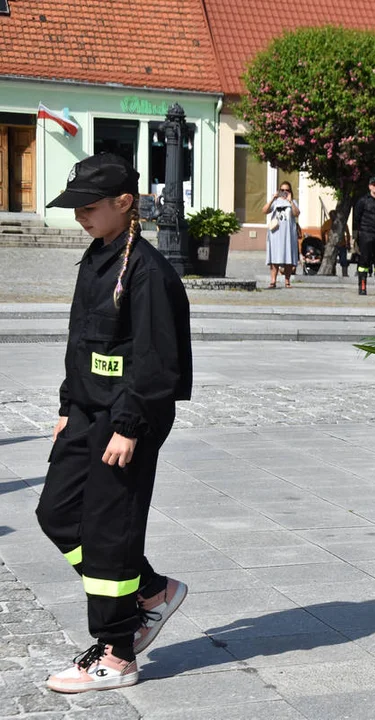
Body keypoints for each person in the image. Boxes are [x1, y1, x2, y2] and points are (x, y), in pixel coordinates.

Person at [36, 153, 192, 693]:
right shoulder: (97, 256)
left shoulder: (148, 270)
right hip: (85, 410)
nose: (79, 214)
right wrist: (65, 407)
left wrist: (128, 424)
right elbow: (82, 342)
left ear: (125, 204)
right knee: (56, 512)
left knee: (109, 531)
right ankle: (149, 589)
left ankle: (117, 653)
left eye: (89, 205)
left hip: (128, 416)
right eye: (74, 204)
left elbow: (157, 361)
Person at [263, 180, 299, 288]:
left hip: (288, 234)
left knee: (288, 257)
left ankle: (287, 281)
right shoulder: (276, 202)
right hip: (275, 234)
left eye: (287, 190)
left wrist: (290, 201)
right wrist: (273, 199)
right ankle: (273, 281)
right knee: (275, 257)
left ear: (290, 191)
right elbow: (264, 210)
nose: (284, 192)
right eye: (282, 190)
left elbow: (296, 213)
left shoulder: (293, 201)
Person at [321, 209, 351, 277]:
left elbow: (348, 233)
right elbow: (322, 232)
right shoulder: (327, 223)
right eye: (331, 216)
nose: (332, 217)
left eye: (334, 215)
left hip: (342, 245)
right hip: (332, 245)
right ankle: (332, 273)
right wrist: (324, 242)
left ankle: (345, 274)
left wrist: (348, 243)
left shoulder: (342, 222)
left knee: (343, 260)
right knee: (332, 260)